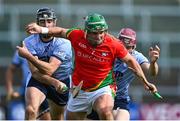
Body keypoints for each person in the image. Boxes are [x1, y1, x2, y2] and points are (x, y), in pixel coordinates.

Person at [25, 13, 158, 120]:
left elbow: (131, 61)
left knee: (105, 111)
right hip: (80, 88)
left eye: (102, 32)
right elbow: (60, 31)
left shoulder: (113, 44)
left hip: (103, 87)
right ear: (86, 31)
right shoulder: (77, 35)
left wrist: (145, 82)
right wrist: (42, 29)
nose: (99, 36)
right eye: (94, 33)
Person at [86, 28, 160, 120]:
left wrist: (153, 63)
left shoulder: (136, 57)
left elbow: (152, 72)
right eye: (123, 46)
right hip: (98, 96)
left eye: (129, 47)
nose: (125, 51)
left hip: (119, 99)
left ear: (134, 47)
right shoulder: (107, 52)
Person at [16, 7, 73, 120]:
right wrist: (54, 82)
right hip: (39, 79)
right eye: (42, 21)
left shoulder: (64, 43)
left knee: (57, 117)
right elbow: (36, 73)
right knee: (30, 110)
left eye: (49, 21)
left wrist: (28, 56)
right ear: (37, 24)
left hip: (62, 79)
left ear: (54, 22)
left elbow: (50, 69)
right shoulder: (29, 42)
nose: (46, 25)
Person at [5, 50, 51, 120]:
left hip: (45, 87)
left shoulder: (50, 47)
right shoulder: (21, 50)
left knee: (47, 117)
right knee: (30, 114)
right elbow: (11, 70)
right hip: (27, 89)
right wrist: (10, 89)